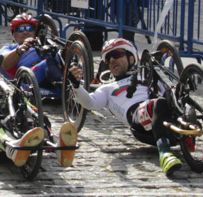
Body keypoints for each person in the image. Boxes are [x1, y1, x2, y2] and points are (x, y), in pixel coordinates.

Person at [68, 38, 183, 175]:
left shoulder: (148, 75)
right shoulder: (107, 89)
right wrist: (76, 86)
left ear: (132, 58)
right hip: (137, 114)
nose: (112, 60)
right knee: (158, 104)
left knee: (175, 99)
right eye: (108, 59)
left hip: (162, 106)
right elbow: (89, 103)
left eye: (116, 54)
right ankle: (164, 154)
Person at [0, 13, 63, 89]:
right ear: (14, 34)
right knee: (47, 63)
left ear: (34, 32)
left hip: (50, 79)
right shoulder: (9, 48)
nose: (25, 32)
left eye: (29, 29)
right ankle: (63, 84)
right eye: (20, 29)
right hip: (25, 82)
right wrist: (20, 50)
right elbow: (4, 64)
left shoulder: (43, 45)